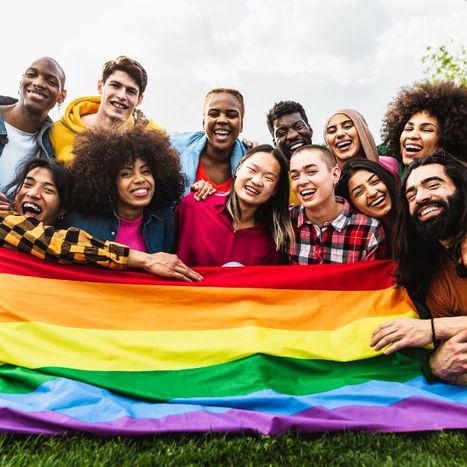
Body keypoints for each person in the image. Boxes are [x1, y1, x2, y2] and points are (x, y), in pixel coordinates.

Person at [0, 158, 201, 281]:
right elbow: (62, 244)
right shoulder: (3, 220)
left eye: (48, 190)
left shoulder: (164, 218)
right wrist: (147, 260)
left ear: (63, 209)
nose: (34, 194)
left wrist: (204, 191)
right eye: (27, 184)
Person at [370, 154, 466, 385]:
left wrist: (432, 328)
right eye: (410, 195)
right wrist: (437, 367)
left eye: (433, 185)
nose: (421, 197)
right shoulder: (435, 278)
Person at [66, 127, 181, 254]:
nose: (139, 179)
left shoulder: (164, 217)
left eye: (146, 171)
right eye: (126, 174)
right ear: (109, 181)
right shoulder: (81, 221)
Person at [175, 144, 294, 266]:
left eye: (268, 178)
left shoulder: (273, 243)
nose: (257, 181)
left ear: (275, 189)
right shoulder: (193, 206)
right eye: (252, 170)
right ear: (238, 168)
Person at [50, 56, 165, 165]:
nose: (121, 96)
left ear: (139, 100)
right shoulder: (59, 130)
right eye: (115, 85)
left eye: (131, 91)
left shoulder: (152, 134)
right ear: (100, 87)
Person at [288, 144, 385, 264]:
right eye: (295, 176)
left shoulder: (369, 229)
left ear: (335, 175)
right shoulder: (286, 221)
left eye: (311, 172)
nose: (301, 181)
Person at [0, 57, 66, 192]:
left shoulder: (52, 149)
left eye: (51, 81)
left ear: (62, 96)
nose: (39, 83)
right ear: (21, 81)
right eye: (31, 75)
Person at [170, 88, 248, 198]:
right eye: (214, 114)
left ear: (241, 125)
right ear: (203, 122)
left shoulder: (251, 161)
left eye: (231, 115)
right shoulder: (174, 147)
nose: (222, 120)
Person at [381, 80, 467, 173]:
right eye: (408, 129)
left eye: (427, 130)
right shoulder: (387, 170)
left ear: (445, 141)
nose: (413, 135)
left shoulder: (459, 179)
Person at [337, 159, 398, 257]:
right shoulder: (366, 242)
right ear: (352, 204)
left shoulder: (415, 217)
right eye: (359, 192)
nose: (372, 193)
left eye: (375, 181)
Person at [324, 108, 399, 178]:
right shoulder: (328, 179)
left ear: (363, 132)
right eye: (332, 131)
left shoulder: (390, 166)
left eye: (347, 126)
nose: (339, 134)